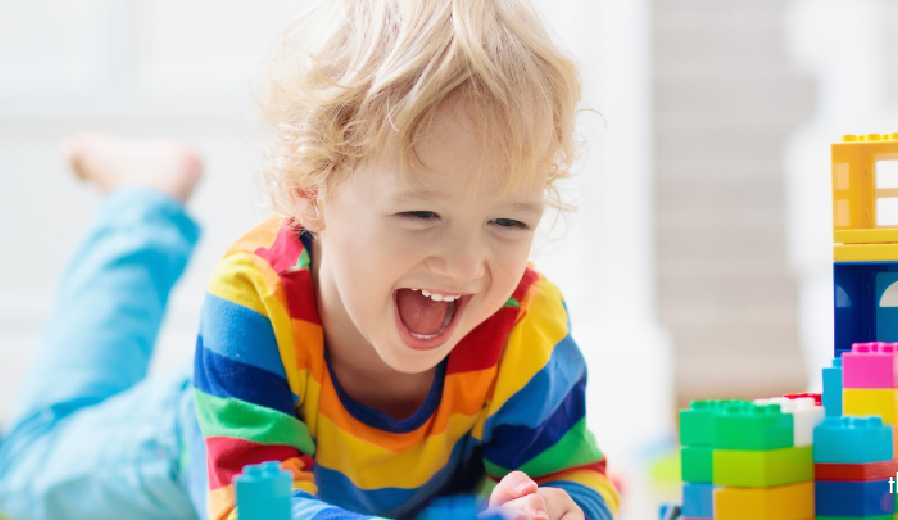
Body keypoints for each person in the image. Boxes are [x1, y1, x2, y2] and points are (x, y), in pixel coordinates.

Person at [0, 0, 618, 518]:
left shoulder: (524, 326)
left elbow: (578, 476)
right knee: (22, 470)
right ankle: (144, 203)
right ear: (309, 193)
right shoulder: (256, 298)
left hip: (377, 493)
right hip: (196, 443)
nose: (463, 265)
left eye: (507, 222)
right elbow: (256, 505)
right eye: (420, 214)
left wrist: (564, 506)